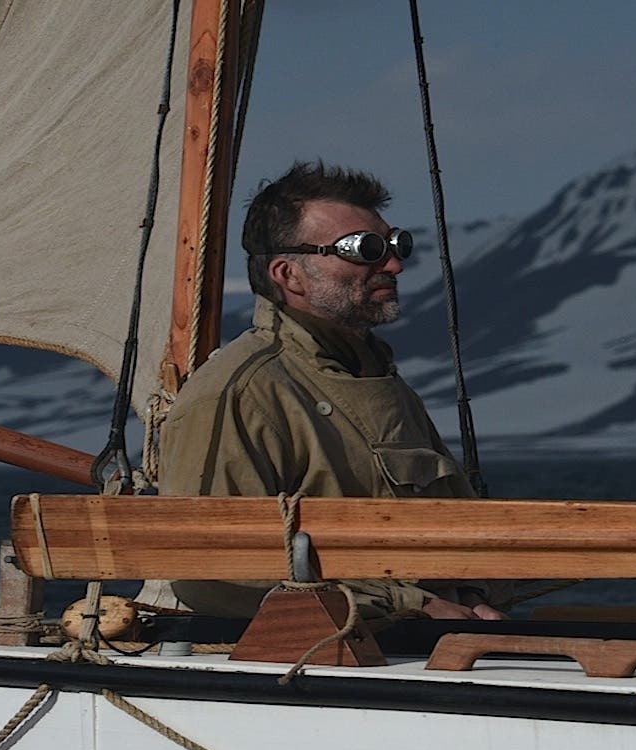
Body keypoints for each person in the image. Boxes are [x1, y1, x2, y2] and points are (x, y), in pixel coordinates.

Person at [147, 161, 505, 621]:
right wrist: (410, 605)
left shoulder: (377, 379)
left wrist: (472, 594)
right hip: (314, 660)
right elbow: (216, 574)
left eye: (396, 245)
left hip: (419, 649)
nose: (393, 263)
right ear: (288, 274)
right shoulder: (241, 395)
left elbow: (453, 524)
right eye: (363, 249)